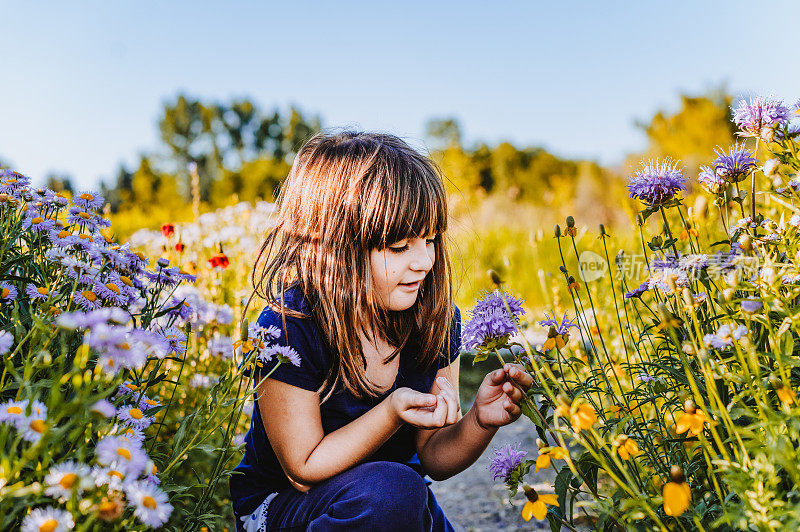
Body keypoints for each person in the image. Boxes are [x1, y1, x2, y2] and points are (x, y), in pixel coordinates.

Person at [229, 131, 532, 531]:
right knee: (395, 491)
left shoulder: (435, 319)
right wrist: (390, 413)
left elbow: (434, 459)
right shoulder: (289, 328)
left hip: (388, 504)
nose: (424, 261)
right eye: (398, 247)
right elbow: (303, 467)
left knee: (400, 493)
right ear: (334, 247)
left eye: (429, 239)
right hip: (289, 510)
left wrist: (479, 419)